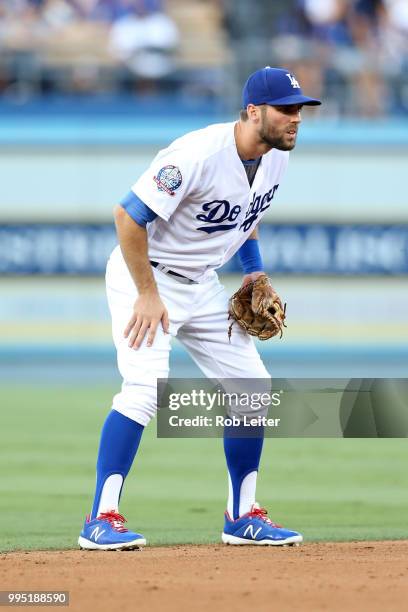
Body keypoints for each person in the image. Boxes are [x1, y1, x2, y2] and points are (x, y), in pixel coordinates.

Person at [78, 67, 321, 550]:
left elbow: (246, 219)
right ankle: (100, 519)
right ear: (254, 111)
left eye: (300, 109)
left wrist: (253, 273)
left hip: (202, 283)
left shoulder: (275, 158)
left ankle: (241, 516)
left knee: (252, 386)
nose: (296, 118)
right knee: (145, 388)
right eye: (286, 109)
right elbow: (127, 215)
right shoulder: (197, 154)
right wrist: (148, 293)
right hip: (145, 276)